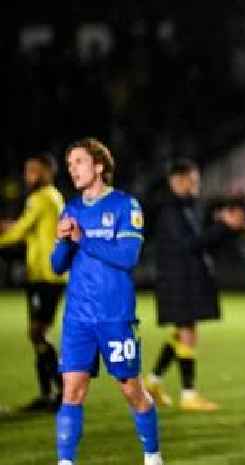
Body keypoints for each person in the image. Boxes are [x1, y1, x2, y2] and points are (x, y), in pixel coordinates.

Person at [51, 138, 162, 465]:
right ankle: (65, 462)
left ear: (99, 166)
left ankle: (153, 455)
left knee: (132, 391)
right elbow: (57, 266)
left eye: (79, 162)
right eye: (69, 164)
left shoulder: (125, 206)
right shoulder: (70, 208)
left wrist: (82, 239)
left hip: (115, 315)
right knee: (72, 390)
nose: (73, 170)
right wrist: (62, 241)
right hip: (78, 318)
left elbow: (128, 256)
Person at [144, 159, 245, 411]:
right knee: (187, 333)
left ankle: (152, 382)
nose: (196, 184)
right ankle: (188, 394)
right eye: (192, 180)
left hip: (184, 278)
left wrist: (225, 227)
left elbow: (200, 241)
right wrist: (222, 226)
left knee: (181, 333)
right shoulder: (170, 211)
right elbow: (188, 245)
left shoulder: (187, 208)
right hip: (177, 280)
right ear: (176, 181)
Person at [0, 154, 66, 412]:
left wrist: (7, 231)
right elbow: (33, 230)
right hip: (43, 275)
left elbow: (20, 232)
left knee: (38, 332)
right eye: (27, 171)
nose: (29, 176)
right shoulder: (51, 197)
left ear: (48, 172)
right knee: (38, 334)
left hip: (47, 277)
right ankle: (49, 394)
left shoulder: (41, 198)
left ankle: (62, 392)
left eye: (34, 171)